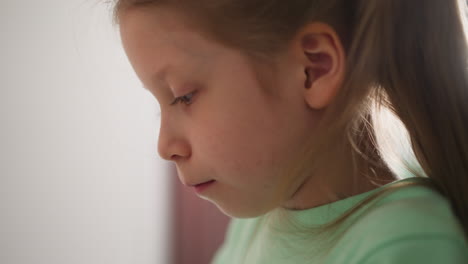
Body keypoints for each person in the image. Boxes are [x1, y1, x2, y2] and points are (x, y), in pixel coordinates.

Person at [111, 0, 468, 263]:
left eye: (183, 96)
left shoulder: (402, 243)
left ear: (313, 68)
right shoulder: (259, 220)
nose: (165, 146)